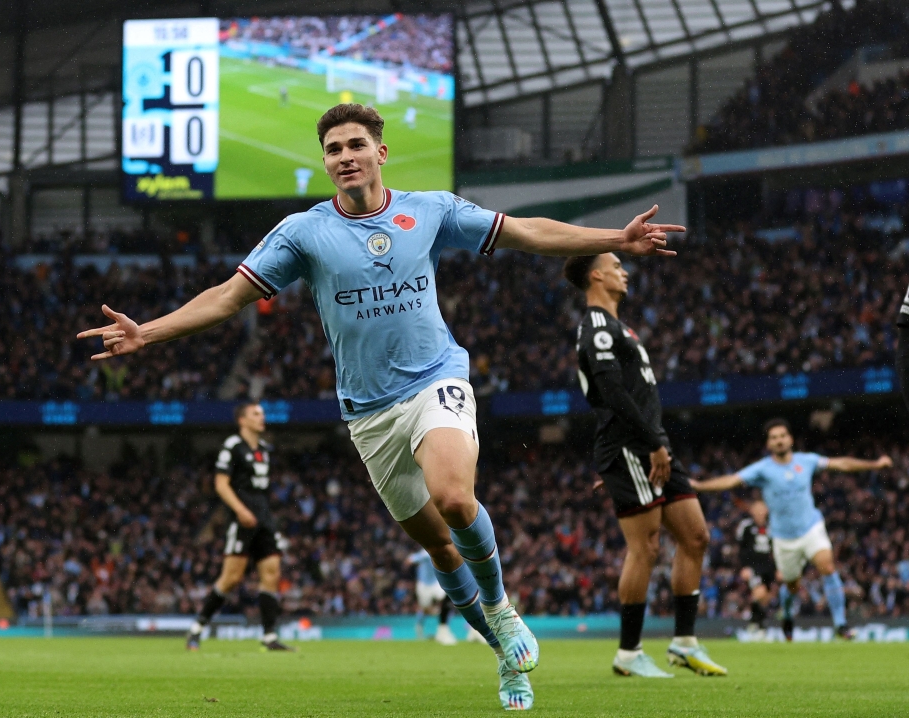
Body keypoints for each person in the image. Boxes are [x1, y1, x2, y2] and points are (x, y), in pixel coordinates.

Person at [77, 102, 681, 711]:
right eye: (334, 149)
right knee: (440, 549)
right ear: (325, 162)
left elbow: (525, 231)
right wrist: (148, 332)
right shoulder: (303, 232)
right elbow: (229, 297)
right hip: (368, 414)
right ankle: (504, 654)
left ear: (380, 153)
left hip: (434, 379)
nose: (345, 157)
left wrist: (616, 238)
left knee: (453, 498)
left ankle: (501, 607)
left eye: (355, 145)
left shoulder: (432, 210)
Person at [565, 252, 727, 679]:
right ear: (596, 275)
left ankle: (684, 642)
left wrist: (657, 443)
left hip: (652, 446)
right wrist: (647, 445)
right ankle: (629, 652)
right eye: (617, 265)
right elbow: (611, 391)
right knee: (647, 547)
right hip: (632, 447)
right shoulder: (596, 326)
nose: (625, 271)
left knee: (695, 536)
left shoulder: (619, 327)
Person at [691, 418, 892, 640]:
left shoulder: (806, 461)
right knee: (792, 585)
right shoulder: (762, 469)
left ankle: (840, 624)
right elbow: (732, 480)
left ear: (790, 439)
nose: (779, 441)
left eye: (782, 436)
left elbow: (841, 463)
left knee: (826, 564)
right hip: (784, 538)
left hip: (811, 528)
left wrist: (874, 465)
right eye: (774, 438)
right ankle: (786, 615)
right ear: (769, 444)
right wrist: (701, 486)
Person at [186, 401, 293, 652]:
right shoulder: (232, 447)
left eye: (263, 414)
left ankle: (269, 637)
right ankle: (197, 628)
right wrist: (241, 511)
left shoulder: (265, 449)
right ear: (242, 420)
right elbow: (221, 484)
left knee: (272, 574)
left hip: (264, 519)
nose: (261, 418)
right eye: (256, 414)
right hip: (241, 519)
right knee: (231, 579)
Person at [736, 500, 776, 638]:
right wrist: (743, 567)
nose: (759, 512)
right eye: (756, 509)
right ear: (752, 511)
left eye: (762, 509)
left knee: (765, 597)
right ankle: (758, 625)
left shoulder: (773, 527)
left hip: (768, 568)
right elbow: (740, 549)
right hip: (753, 567)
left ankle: (756, 623)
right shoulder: (746, 526)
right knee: (760, 592)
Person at [406, 548, 457, 645]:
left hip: (436, 584)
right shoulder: (426, 552)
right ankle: (419, 626)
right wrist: (411, 560)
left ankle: (444, 629)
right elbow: (411, 559)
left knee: (448, 598)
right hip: (424, 585)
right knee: (425, 609)